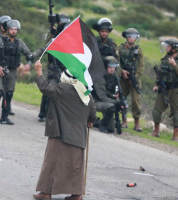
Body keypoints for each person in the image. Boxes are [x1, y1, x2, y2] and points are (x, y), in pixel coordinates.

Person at [33, 60, 96, 200]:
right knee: (76, 167)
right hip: (78, 137)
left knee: (52, 163)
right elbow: (93, 116)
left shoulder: (62, 89)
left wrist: (39, 72)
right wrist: (89, 122)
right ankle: (77, 194)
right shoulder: (87, 94)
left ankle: (45, 192)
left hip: (60, 133)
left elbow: (45, 88)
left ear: (66, 77)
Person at [0, 19, 32, 125]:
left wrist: (28, 63)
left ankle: (4, 117)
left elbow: (29, 54)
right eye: (11, 29)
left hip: (12, 71)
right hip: (0, 70)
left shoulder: (19, 43)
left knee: (9, 94)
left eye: (16, 29)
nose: (14, 31)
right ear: (7, 30)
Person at [32, 13, 70, 122]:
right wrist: (54, 34)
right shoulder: (52, 33)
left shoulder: (68, 35)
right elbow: (46, 46)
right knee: (49, 88)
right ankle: (43, 113)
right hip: (53, 65)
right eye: (61, 22)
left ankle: (57, 114)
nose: (62, 24)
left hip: (64, 66)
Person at [152, 38, 178, 142]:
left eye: (168, 46)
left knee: (176, 112)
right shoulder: (165, 58)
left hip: (176, 90)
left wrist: (175, 65)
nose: (166, 48)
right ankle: (156, 131)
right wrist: (156, 84)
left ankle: (175, 136)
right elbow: (160, 73)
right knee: (156, 110)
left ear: (174, 48)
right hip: (164, 88)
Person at [118, 28, 144, 131]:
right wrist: (121, 71)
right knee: (122, 99)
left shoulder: (139, 50)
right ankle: (124, 120)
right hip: (123, 78)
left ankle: (136, 123)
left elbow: (141, 66)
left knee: (135, 101)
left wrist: (135, 78)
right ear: (126, 37)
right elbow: (115, 62)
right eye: (129, 36)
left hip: (134, 79)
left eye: (134, 37)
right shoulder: (120, 48)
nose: (131, 39)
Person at [103, 56, 124, 134]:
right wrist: (113, 97)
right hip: (100, 99)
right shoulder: (102, 75)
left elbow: (119, 89)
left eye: (113, 67)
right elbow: (102, 92)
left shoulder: (115, 76)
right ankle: (100, 123)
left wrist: (120, 100)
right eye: (110, 67)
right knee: (112, 107)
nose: (112, 69)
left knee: (111, 128)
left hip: (109, 98)